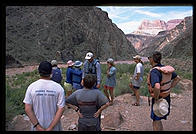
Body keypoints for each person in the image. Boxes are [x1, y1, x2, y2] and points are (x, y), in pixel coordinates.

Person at [23, 61, 65, 131]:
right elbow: (61, 109)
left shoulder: (32, 87)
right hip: (54, 127)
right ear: (51, 72)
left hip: (36, 127)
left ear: (39, 71)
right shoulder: (58, 88)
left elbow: (27, 109)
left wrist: (38, 126)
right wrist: (50, 128)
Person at [147, 51, 181, 131]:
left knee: (156, 120)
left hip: (159, 98)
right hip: (167, 97)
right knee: (159, 117)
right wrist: (169, 88)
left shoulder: (154, 71)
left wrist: (156, 97)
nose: (148, 59)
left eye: (149, 58)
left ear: (152, 59)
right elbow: (177, 78)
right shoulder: (165, 69)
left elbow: (157, 86)